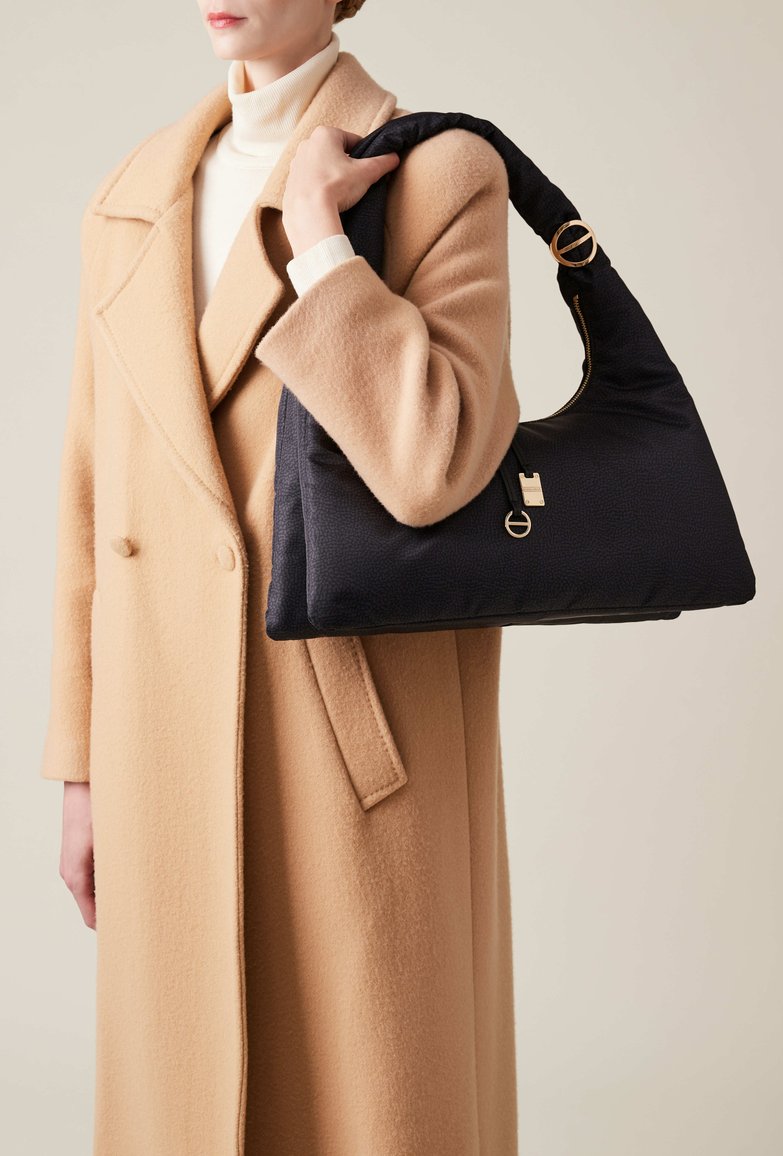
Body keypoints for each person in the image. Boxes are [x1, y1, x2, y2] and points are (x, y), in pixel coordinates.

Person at [42, 1, 522, 1152]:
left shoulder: (436, 173)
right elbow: (93, 496)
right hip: (159, 739)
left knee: (366, 1099)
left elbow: (435, 461)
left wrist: (319, 244)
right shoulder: (133, 193)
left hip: (347, 746)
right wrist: (83, 766)